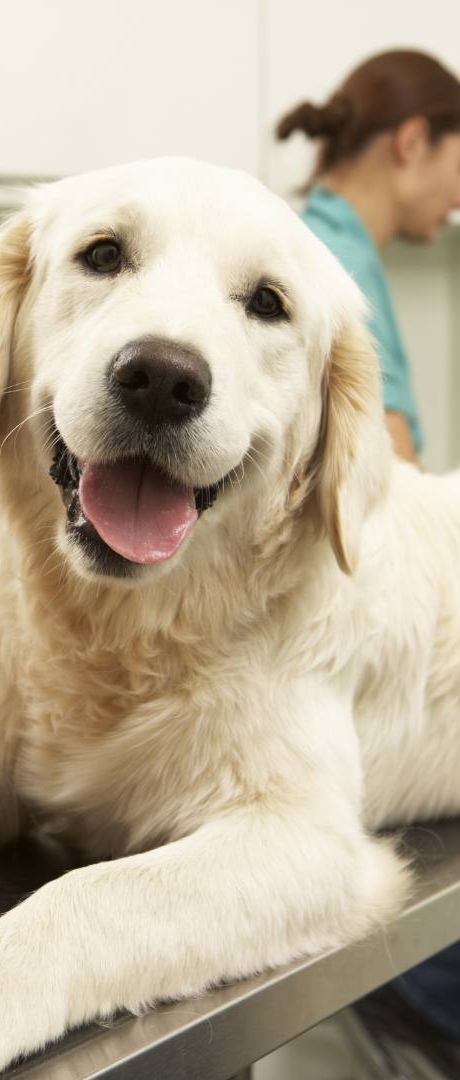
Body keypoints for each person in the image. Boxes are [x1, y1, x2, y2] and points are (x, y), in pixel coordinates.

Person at [277, 48, 460, 1074]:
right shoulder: (328, 264)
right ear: (413, 141)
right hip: (334, 654)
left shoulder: (329, 247)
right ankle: (408, 992)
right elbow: (379, 489)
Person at [278, 48, 460, 465]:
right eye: (459, 168)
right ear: (412, 142)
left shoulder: (319, 243)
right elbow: (392, 478)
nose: (458, 198)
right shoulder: (344, 269)